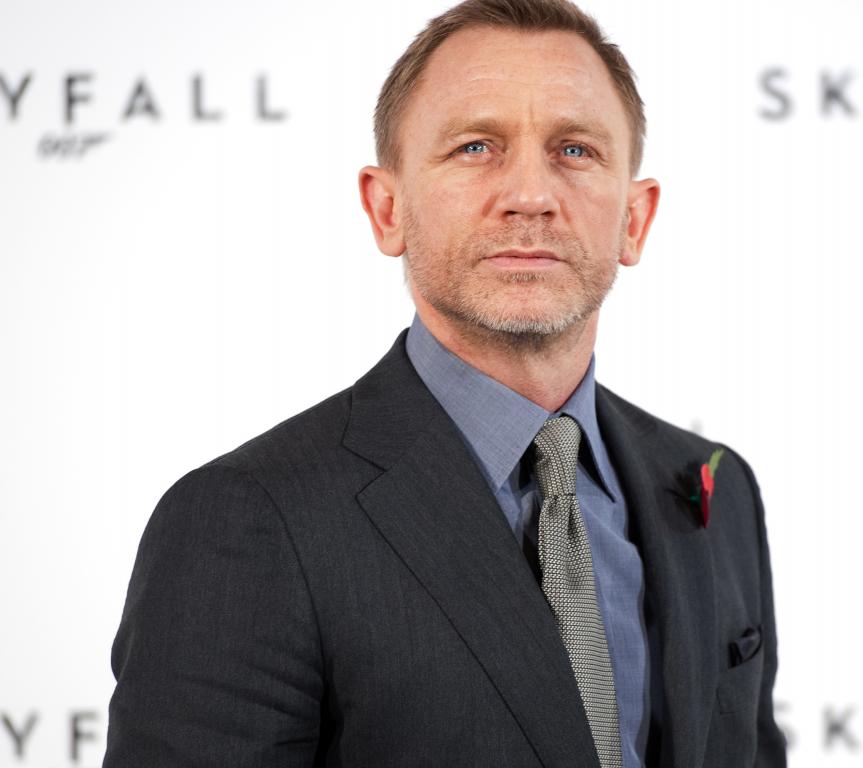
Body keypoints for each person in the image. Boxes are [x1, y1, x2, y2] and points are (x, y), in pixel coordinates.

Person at [102, 1, 786, 766]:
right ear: (386, 208)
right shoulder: (247, 519)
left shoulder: (716, 490)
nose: (530, 194)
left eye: (574, 150)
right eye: (475, 147)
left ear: (635, 218)